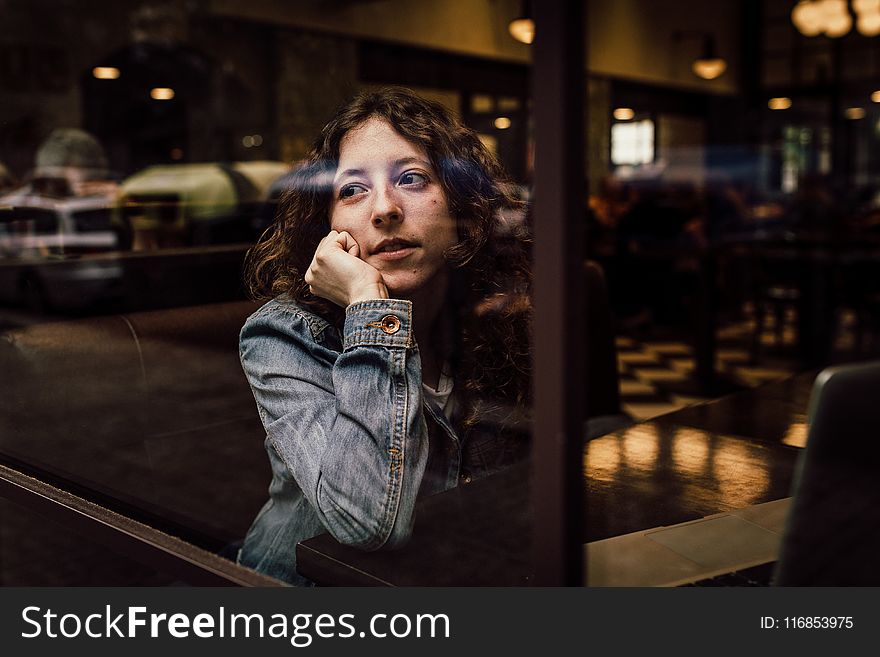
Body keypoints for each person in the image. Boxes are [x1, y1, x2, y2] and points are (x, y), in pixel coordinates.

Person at [236, 87, 532, 585]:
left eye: (411, 179)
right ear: (327, 226)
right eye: (351, 189)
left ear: (462, 215)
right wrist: (371, 307)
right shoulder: (281, 335)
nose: (384, 209)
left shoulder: (490, 319)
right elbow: (368, 521)